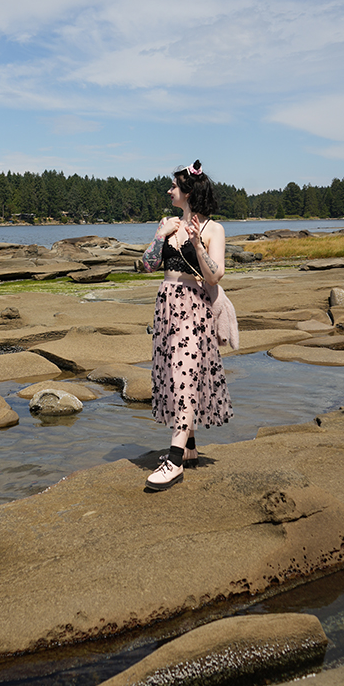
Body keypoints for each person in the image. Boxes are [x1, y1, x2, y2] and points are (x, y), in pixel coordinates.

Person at [142, 159, 233, 490]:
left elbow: (215, 275)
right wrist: (158, 235)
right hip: (166, 307)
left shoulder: (213, 230)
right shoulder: (168, 223)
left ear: (189, 192)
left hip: (194, 310)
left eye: (174, 187)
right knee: (172, 372)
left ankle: (175, 460)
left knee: (185, 377)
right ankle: (191, 447)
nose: (169, 190)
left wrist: (196, 243)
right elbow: (148, 265)